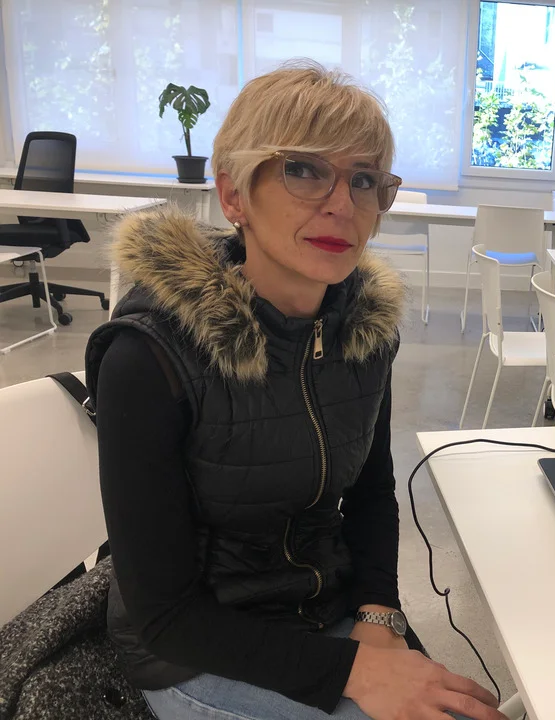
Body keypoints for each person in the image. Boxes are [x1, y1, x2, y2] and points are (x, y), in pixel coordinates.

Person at [85, 62, 508, 720]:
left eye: (364, 179)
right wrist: (352, 670)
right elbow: (165, 617)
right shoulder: (148, 357)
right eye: (304, 170)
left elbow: (370, 494)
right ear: (234, 196)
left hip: (322, 609)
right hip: (196, 649)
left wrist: (379, 615)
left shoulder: (362, 334)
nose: (342, 204)